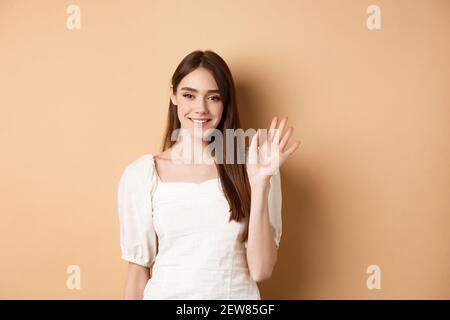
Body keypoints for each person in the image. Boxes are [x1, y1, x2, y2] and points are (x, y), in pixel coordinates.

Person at [117, 50, 301, 299]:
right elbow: (137, 275)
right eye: (189, 95)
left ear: (225, 103)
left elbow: (261, 270)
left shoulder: (256, 168)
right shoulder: (142, 174)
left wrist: (260, 184)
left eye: (213, 97)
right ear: (173, 95)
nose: (200, 108)